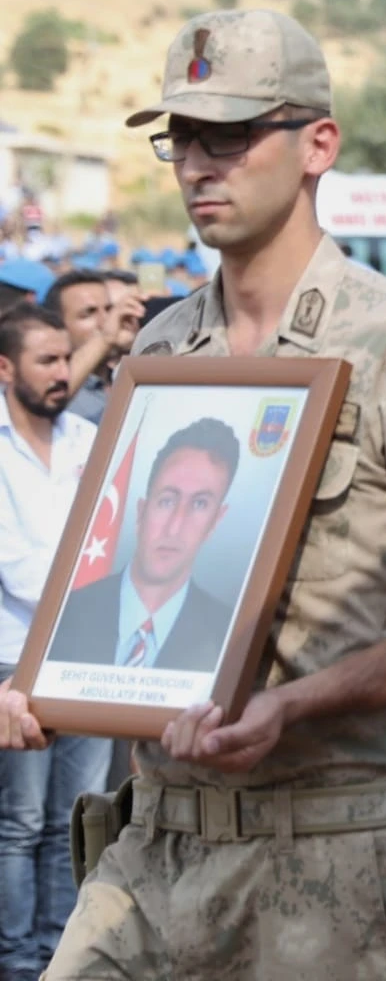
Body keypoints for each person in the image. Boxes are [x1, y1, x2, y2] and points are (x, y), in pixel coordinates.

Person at [0, 9, 386, 980]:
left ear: (317, 144)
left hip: (323, 854)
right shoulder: (162, 349)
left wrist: (295, 704)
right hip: (154, 840)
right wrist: (45, 685)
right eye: (182, 140)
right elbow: (125, 573)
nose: (198, 166)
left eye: (232, 136)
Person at [0, 304, 107, 981]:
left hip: (85, 652)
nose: (62, 372)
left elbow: (111, 534)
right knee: (20, 821)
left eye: (66, 358)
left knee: (76, 817)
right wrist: (94, 581)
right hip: (15, 657)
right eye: (46, 361)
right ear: (5, 369)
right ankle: (16, 958)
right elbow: (16, 566)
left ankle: (63, 955)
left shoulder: (88, 440)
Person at [47, 418, 239, 673]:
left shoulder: (230, 634)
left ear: (215, 521)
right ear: (141, 510)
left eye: (199, 504)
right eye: (167, 501)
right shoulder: (65, 613)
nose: (174, 527)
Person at [41, 270, 144, 425]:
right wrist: (105, 338)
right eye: (88, 314)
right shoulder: (49, 385)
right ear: (58, 326)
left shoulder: (127, 377)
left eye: (110, 310)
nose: (106, 321)